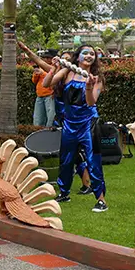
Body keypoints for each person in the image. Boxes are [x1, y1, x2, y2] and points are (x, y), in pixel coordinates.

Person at [44, 46, 107, 212]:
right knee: (66, 160)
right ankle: (64, 193)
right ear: (77, 57)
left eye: (92, 54)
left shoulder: (96, 77)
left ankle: (101, 200)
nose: (89, 56)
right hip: (69, 124)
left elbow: (91, 102)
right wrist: (54, 68)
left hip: (88, 123)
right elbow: (47, 83)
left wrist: (89, 86)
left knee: (93, 161)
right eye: (85, 53)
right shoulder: (67, 71)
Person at [18, 42, 57, 127]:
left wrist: (43, 73)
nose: (45, 59)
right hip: (40, 96)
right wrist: (36, 74)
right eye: (44, 57)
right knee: (38, 119)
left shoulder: (55, 68)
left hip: (50, 96)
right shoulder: (40, 67)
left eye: (48, 58)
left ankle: (49, 133)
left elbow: (54, 79)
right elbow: (34, 81)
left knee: (50, 119)